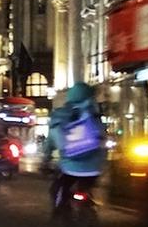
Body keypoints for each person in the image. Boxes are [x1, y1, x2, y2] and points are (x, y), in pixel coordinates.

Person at [42, 83, 106, 217]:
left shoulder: (59, 116)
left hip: (69, 167)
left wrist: (45, 160)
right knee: (87, 187)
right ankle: (90, 209)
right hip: (94, 168)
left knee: (58, 189)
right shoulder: (95, 115)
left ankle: (60, 215)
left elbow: (51, 142)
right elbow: (102, 140)